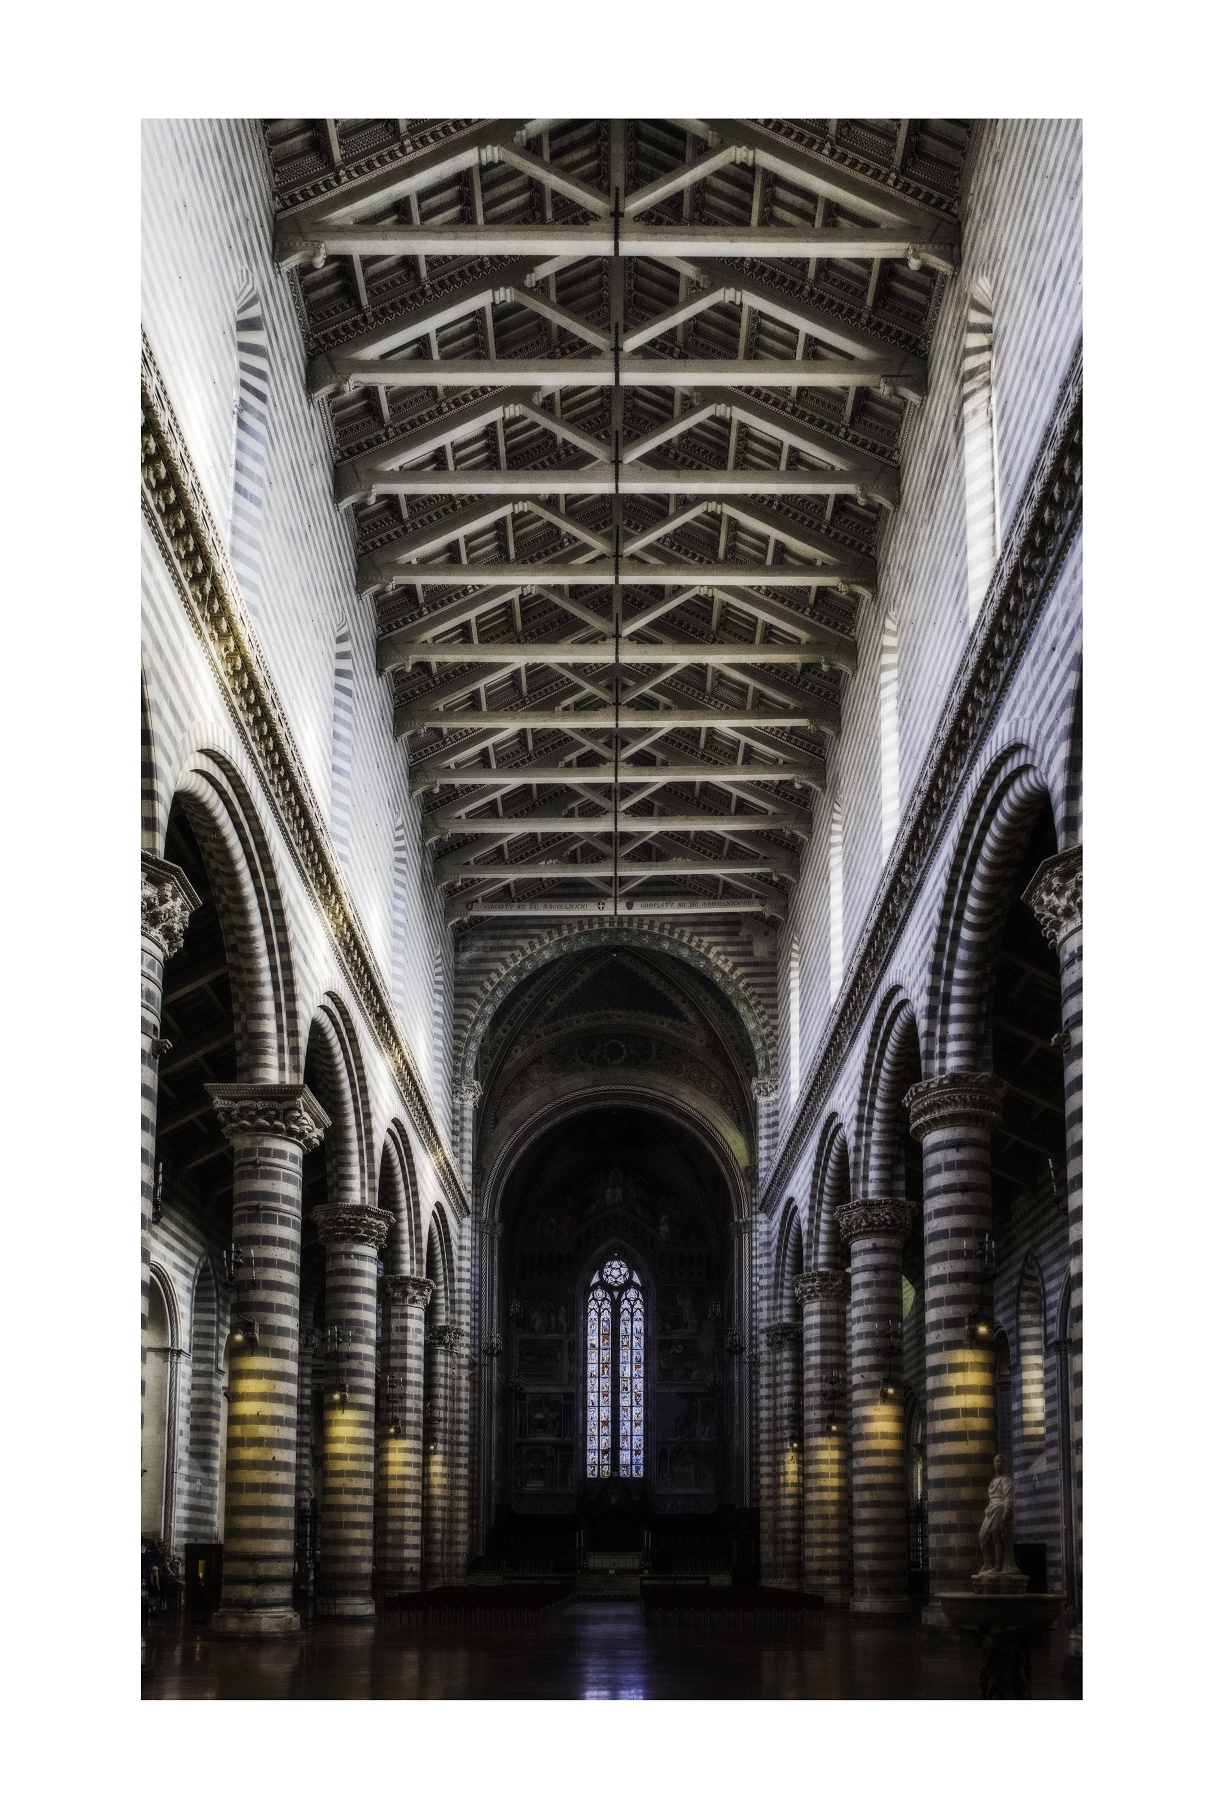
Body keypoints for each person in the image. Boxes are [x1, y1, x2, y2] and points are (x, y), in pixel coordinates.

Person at [978, 1454, 1019, 1575]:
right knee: (982, 1536)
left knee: (996, 1538)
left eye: (1002, 1461)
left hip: (999, 1508)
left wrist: (1008, 1509)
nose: (999, 1463)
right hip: (991, 1509)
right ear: (993, 1464)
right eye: (997, 1461)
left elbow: (1009, 1496)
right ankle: (987, 1564)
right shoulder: (993, 1480)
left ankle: (998, 1566)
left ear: (1005, 1465)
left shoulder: (1006, 1480)